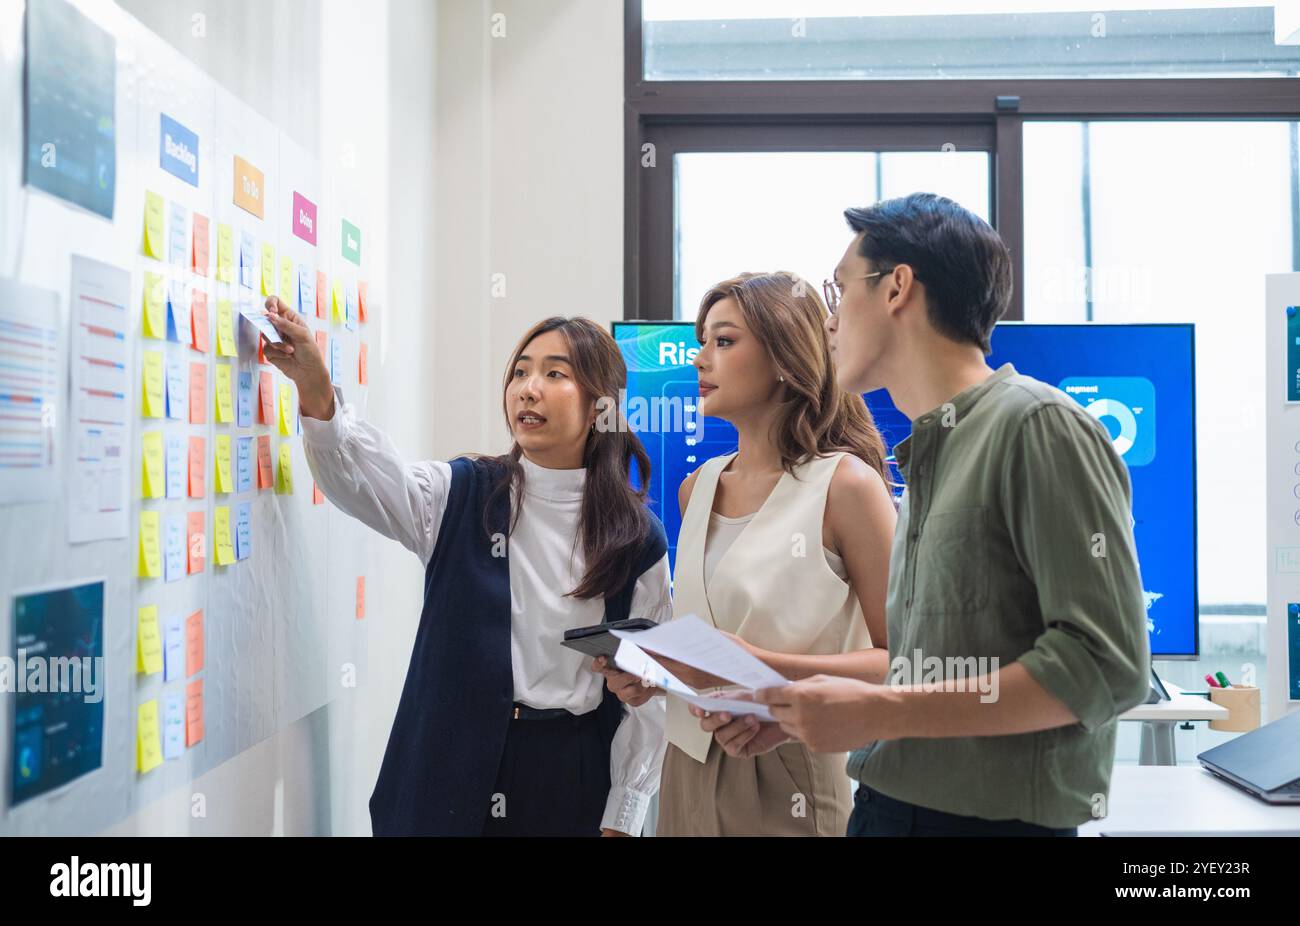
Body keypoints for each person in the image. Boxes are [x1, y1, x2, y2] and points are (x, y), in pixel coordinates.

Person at [753, 193, 1151, 836]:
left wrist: (885, 713)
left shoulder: (1037, 425)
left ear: (897, 288)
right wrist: (801, 709)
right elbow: (929, 671)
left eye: (840, 289)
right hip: (890, 808)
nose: (829, 323)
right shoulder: (931, 448)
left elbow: (1107, 665)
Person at [261, 298, 672, 836]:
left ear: (601, 406)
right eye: (520, 372)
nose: (529, 387)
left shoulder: (636, 538)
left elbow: (647, 697)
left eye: (555, 374)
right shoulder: (461, 492)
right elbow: (360, 476)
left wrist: (623, 816)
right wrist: (315, 388)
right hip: (444, 767)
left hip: (568, 777)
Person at [599, 272, 897, 836]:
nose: (700, 359)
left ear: (786, 356)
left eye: (724, 341)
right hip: (683, 764)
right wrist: (651, 673)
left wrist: (766, 670)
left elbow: (903, 663)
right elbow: (707, 646)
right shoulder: (697, 488)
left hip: (791, 770)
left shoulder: (847, 487)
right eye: (701, 342)